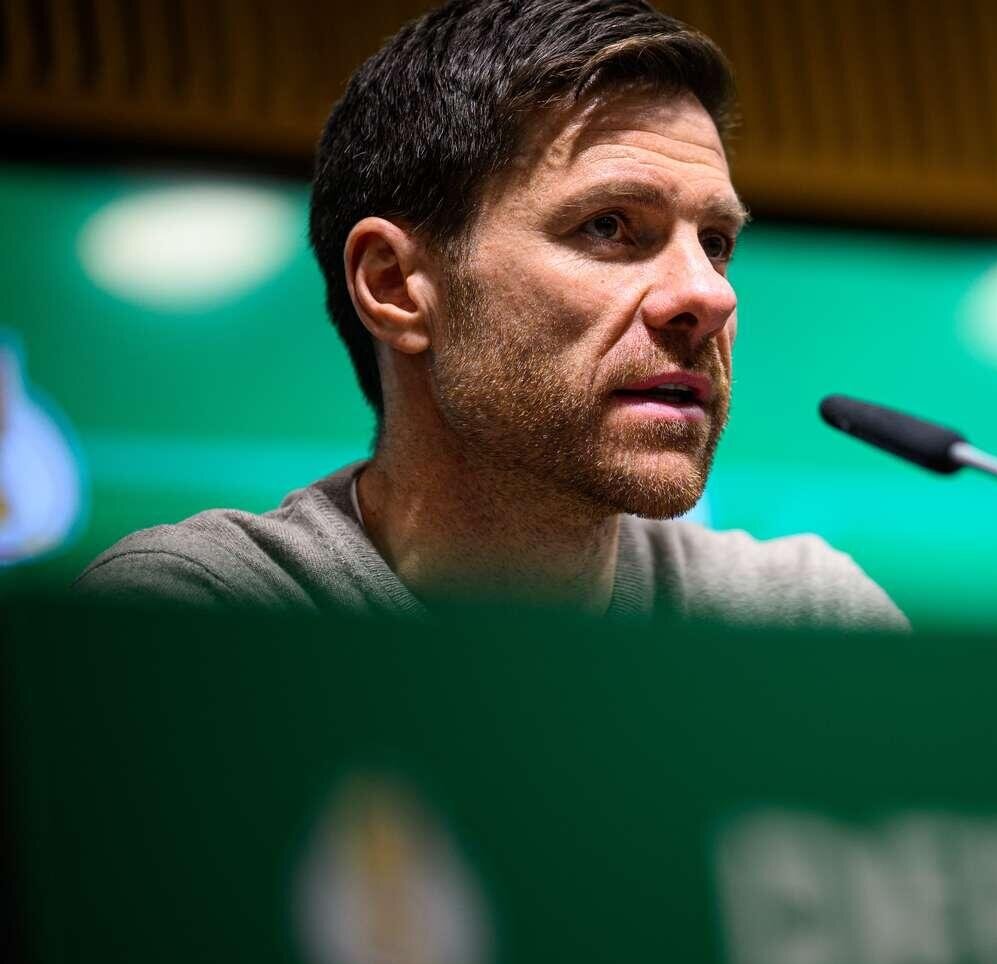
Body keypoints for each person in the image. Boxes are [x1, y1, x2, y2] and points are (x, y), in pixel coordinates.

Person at [75, 0, 907, 631]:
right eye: (610, 226)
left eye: (718, 242)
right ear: (397, 286)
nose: (710, 295)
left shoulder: (804, 620)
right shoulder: (200, 617)